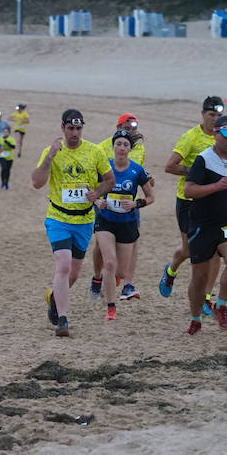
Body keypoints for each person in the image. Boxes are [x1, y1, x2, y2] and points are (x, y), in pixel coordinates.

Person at [32, 109, 115, 337]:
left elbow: (110, 180)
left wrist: (97, 192)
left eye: (78, 128)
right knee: (64, 265)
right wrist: (50, 157)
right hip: (58, 217)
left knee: (75, 272)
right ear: (62, 128)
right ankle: (63, 319)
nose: (75, 133)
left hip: (85, 219)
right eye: (70, 128)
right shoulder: (52, 152)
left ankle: (53, 298)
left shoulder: (94, 151)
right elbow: (37, 183)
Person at [183, 116, 227, 335]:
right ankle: (195, 319)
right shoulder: (204, 159)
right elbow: (189, 190)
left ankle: (221, 305)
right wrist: (215, 186)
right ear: (216, 134)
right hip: (202, 223)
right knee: (200, 278)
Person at [159, 96, 225, 316]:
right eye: (211, 115)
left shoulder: (222, 138)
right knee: (189, 250)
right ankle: (171, 270)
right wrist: (196, 172)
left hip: (212, 203)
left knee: (215, 251)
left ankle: (206, 297)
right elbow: (170, 166)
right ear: (202, 114)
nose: (214, 119)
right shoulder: (190, 137)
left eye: (218, 116)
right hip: (188, 202)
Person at [91, 130, 154, 319]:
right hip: (105, 221)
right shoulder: (105, 168)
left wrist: (137, 204)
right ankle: (111, 308)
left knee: (120, 271)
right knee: (109, 263)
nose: (121, 148)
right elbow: (91, 191)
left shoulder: (137, 171)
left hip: (127, 223)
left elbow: (151, 197)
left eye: (125, 145)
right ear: (113, 147)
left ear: (129, 149)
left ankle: (111, 282)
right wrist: (97, 202)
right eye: (118, 144)